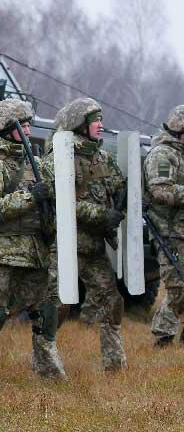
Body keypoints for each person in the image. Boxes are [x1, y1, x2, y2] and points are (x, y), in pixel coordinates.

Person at [0, 99, 66, 385]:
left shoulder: (35, 161)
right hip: (1, 254)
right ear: (8, 128)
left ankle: (49, 374)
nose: (29, 130)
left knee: (46, 312)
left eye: (30, 124)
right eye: (24, 125)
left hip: (35, 252)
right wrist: (31, 196)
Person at [47, 98, 126, 371]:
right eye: (95, 120)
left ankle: (115, 366)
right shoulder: (61, 156)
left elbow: (118, 185)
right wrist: (102, 214)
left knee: (112, 302)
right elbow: (63, 200)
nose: (101, 125)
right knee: (58, 306)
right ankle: (44, 360)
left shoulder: (102, 156)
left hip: (93, 246)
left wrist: (126, 198)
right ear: (81, 125)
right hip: (66, 244)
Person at [144, 105, 184, 347]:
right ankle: (163, 336)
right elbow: (161, 190)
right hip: (168, 231)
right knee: (178, 286)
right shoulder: (163, 154)